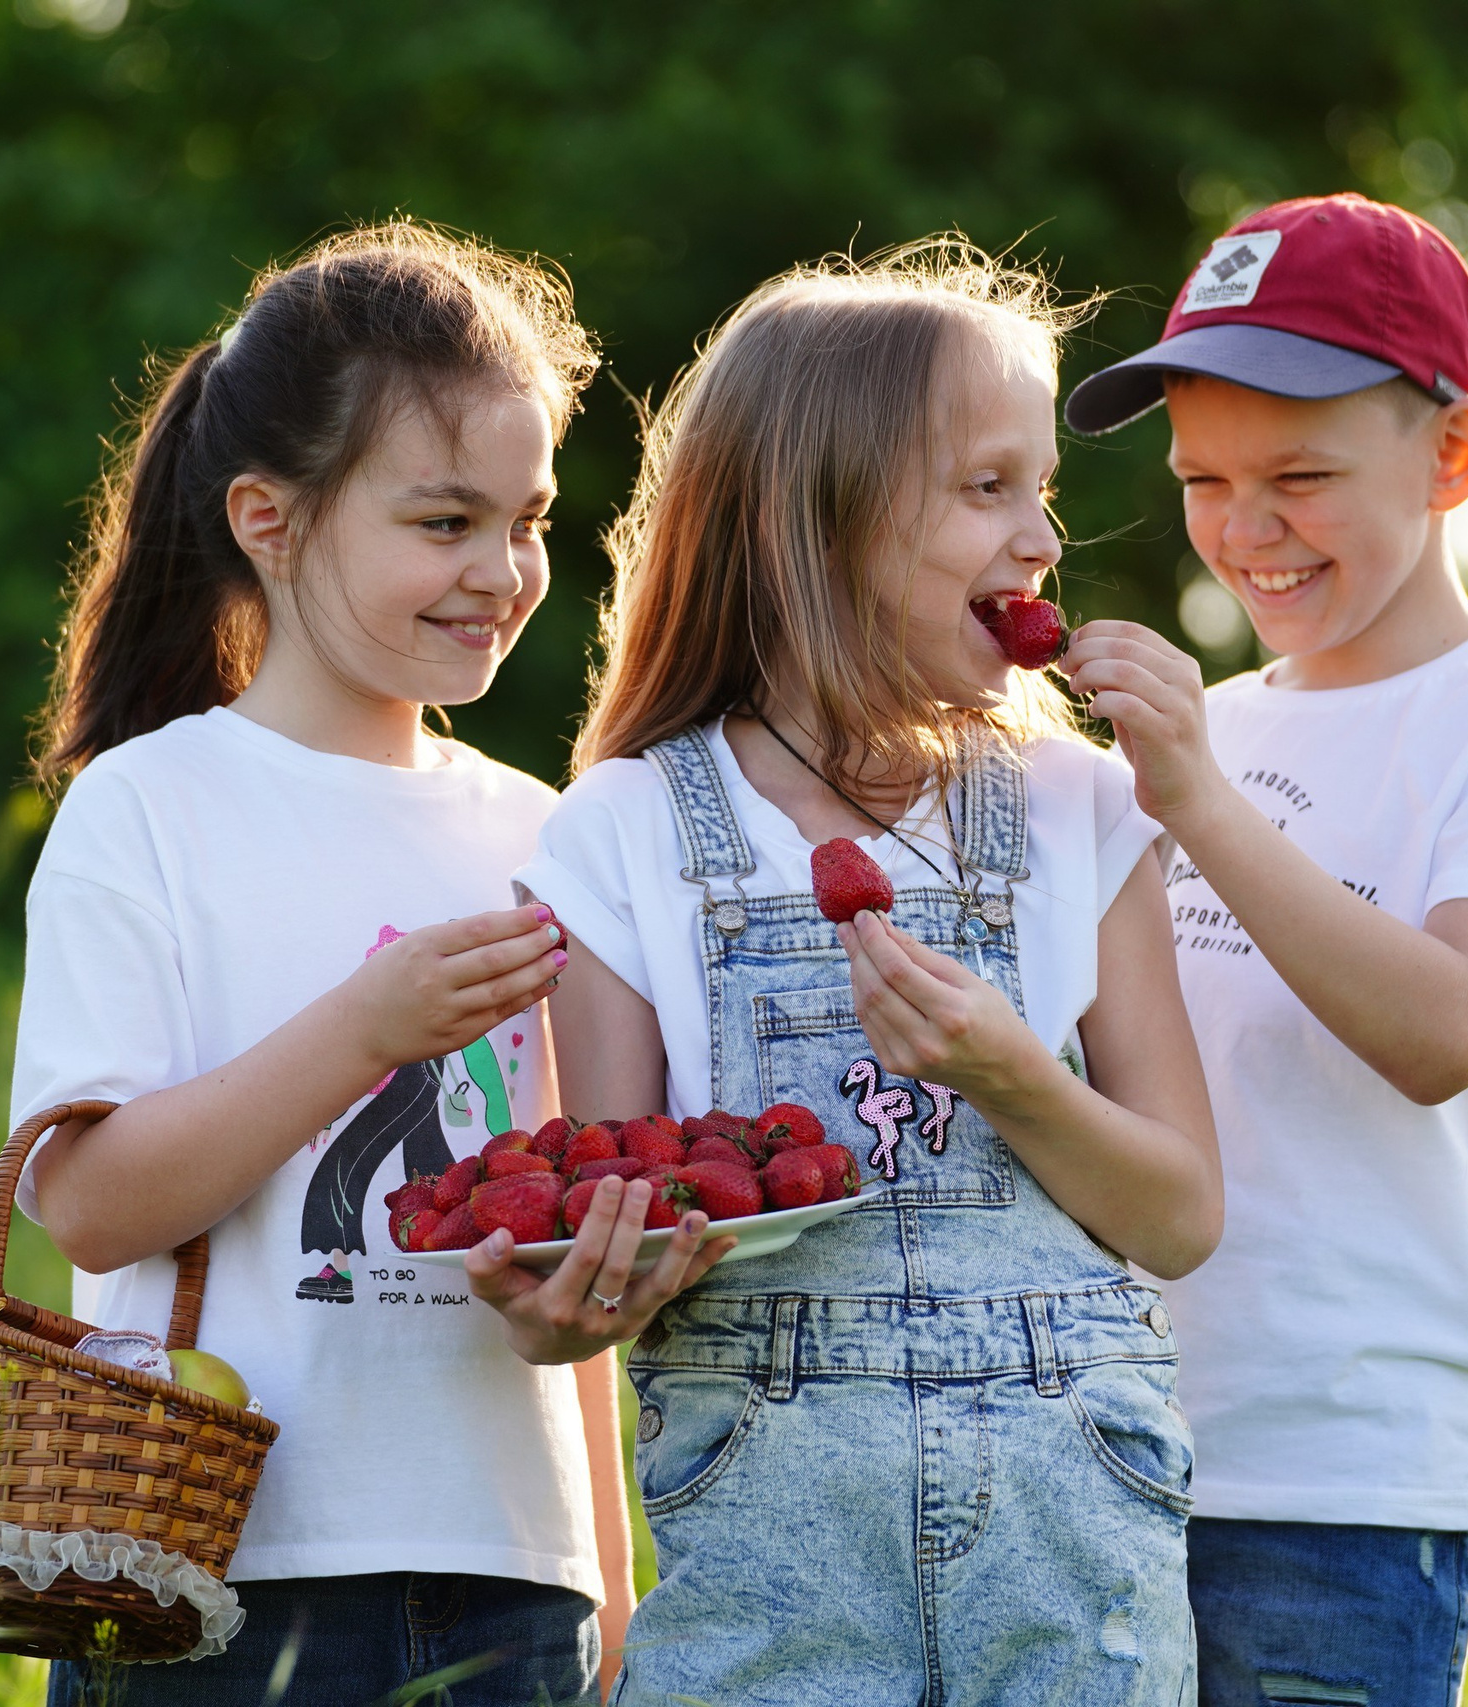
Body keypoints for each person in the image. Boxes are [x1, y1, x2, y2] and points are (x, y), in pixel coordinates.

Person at [500, 241, 1222, 1706]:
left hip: (1070, 1536)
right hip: (774, 1552)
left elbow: (1182, 1214)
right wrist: (563, 1291)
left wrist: (1012, 1074)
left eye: (1045, 492)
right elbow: (604, 1224)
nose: (1040, 539)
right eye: (984, 487)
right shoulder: (625, 833)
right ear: (817, 516)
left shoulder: (1088, 808)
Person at [11, 222, 710, 1707]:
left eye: (527, 521)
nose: (504, 572)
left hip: (509, 1586)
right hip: (210, 1575)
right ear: (269, 518)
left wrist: (612, 1576)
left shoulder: (544, 829)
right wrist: (360, 1032)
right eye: (443, 523)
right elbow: (86, 1201)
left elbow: (567, 1216)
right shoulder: (150, 806)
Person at [1061, 192, 1468, 1705]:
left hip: (1344, 1492)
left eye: (1301, 476)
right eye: (1204, 479)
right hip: (1105, 1450)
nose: (1246, 528)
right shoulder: (1209, 729)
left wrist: (1193, 795)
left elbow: (1445, 1031)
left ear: (1453, 456)